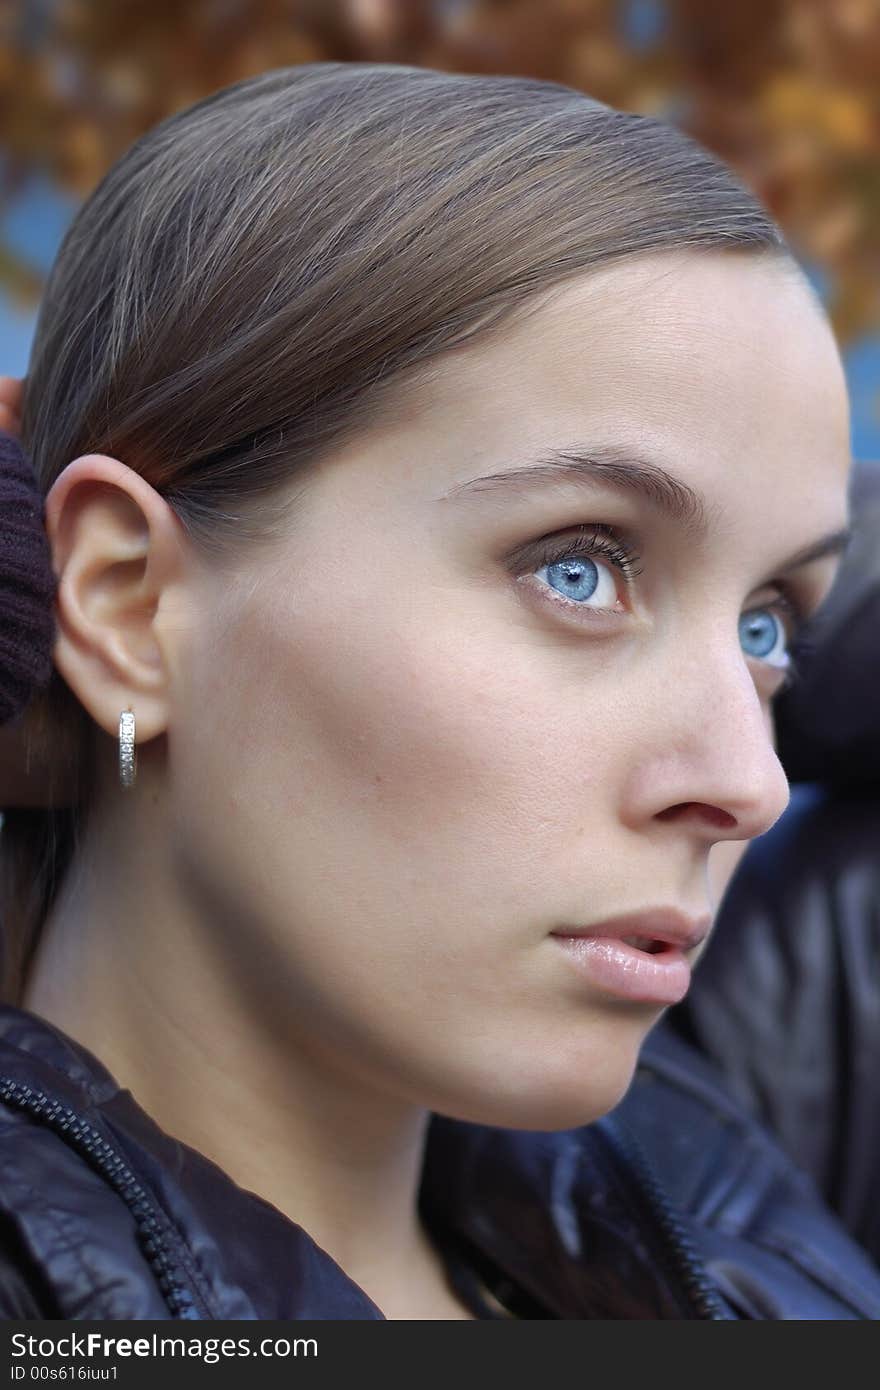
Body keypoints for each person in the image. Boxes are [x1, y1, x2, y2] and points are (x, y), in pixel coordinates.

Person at [0, 61, 878, 1320]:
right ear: (129, 601)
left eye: (765, 620)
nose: (746, 784)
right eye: (578, 568)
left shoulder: (715, 1140)